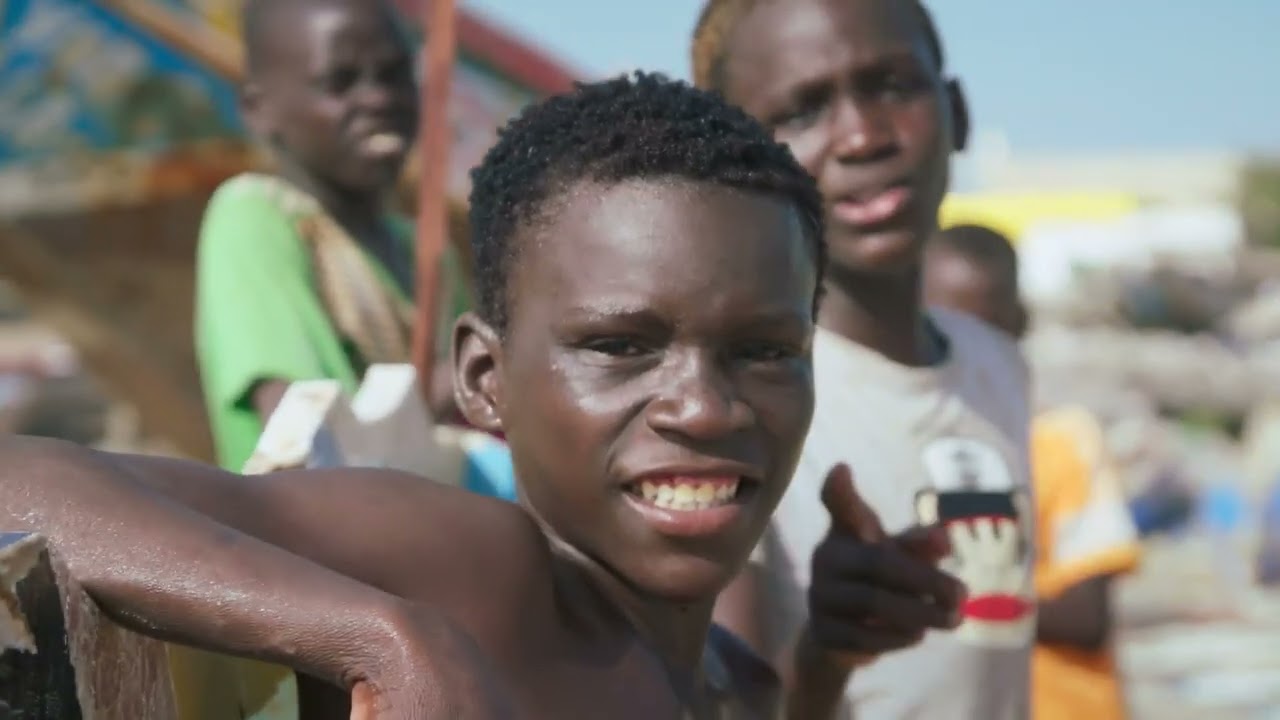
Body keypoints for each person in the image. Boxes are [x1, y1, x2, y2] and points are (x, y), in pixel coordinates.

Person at [0, 71, 942, 719]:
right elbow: (20, 478)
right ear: (484, 381)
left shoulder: (729, 676)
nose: (703, 408)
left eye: (765, 351)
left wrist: (825, 661)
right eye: (619, 347)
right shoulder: (480, 573)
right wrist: (377, 633)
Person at [693, 1, 1037, 718]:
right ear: (733, 167)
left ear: (957, 111)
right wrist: (825, 650)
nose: (861, 136)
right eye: (801, 111)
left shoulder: (997, 364)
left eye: (892, 86)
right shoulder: (731, 400)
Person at [195, 0, 499, 484]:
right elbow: (306, 435)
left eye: (394, 75)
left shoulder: (428, 253)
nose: (378, 99)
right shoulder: (255, 217)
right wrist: (495, 365)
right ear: (259, 110)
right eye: (339, 82)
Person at [925, 223, 1142, 720]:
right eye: (942, 329)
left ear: (1017, 323)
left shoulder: (1061, 439)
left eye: (980, 329)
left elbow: (1087, 617)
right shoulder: (905, 445)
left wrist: (937, 601)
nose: (966, 349)